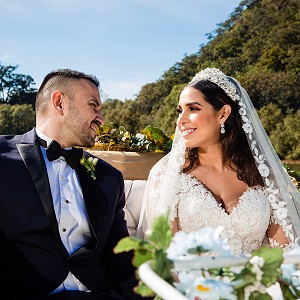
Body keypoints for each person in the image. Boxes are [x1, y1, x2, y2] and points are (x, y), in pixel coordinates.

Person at [0, 69, 147, 300]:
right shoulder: (2, 159)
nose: (101, 118)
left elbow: (119, 255)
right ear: (59, 103)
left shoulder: (108, 177)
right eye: (93, 105)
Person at [138, 67, 300, 255]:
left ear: (223, 114)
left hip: (256, 282)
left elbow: (282, 254)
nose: (180, 120)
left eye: (192, 109)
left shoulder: (263, 174)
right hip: (190, 283)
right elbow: (165, 257)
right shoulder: (167, 174)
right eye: (179, 111)